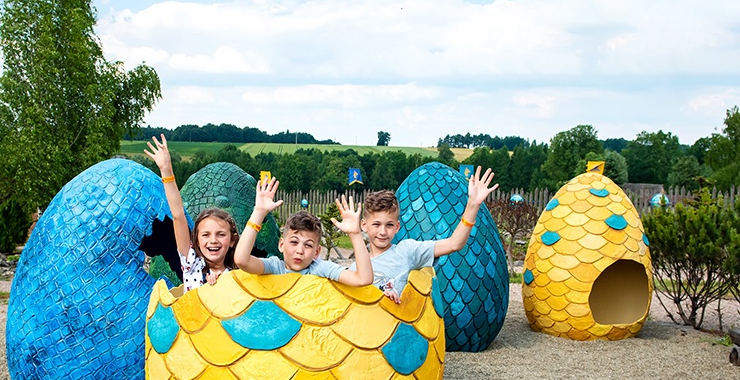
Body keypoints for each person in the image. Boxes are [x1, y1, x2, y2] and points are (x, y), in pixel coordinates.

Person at [355, 165, 498, 303]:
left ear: (397, 226)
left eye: (389, 225)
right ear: (364, 225)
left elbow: (453, 244)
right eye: (376, 224)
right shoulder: (357, 268)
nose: (383, 232)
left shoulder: (406, 251)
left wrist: (473, 204)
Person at [234, 176, 373, 286]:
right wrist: (258, 213)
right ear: (281, 245)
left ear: (317, 252)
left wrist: (355, 235)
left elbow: (363, 279)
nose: (300, 251)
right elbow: (242, 260)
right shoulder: (275, 267)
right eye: (294, 242)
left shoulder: (319, 269)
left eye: (308, 245)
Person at [144, 135, 239, 291]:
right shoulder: (192, 264)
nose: (213, 240)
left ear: (232, 241)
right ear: (196, 240)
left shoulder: (237, 276)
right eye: (206, 235)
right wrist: (166, 170)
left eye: (221, 234)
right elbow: (178, 215)